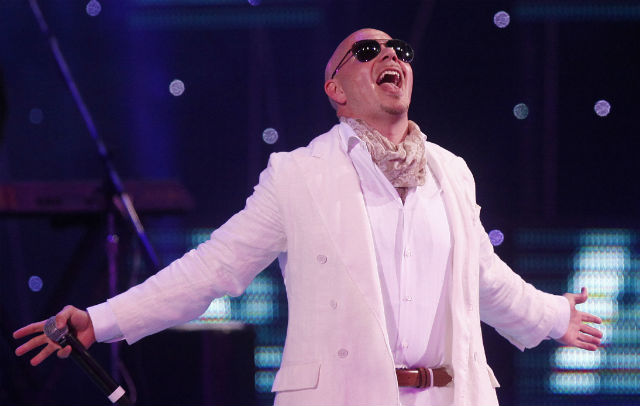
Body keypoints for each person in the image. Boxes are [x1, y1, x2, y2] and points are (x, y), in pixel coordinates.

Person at [14, 28, 603, 406]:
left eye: (399, 51)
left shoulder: (453, 171)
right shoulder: (298, 175)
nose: (390, 56)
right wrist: (101, 320)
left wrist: (555, 316)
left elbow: (483, 277)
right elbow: (215, 267)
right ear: (336, 89)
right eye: (367, 52)